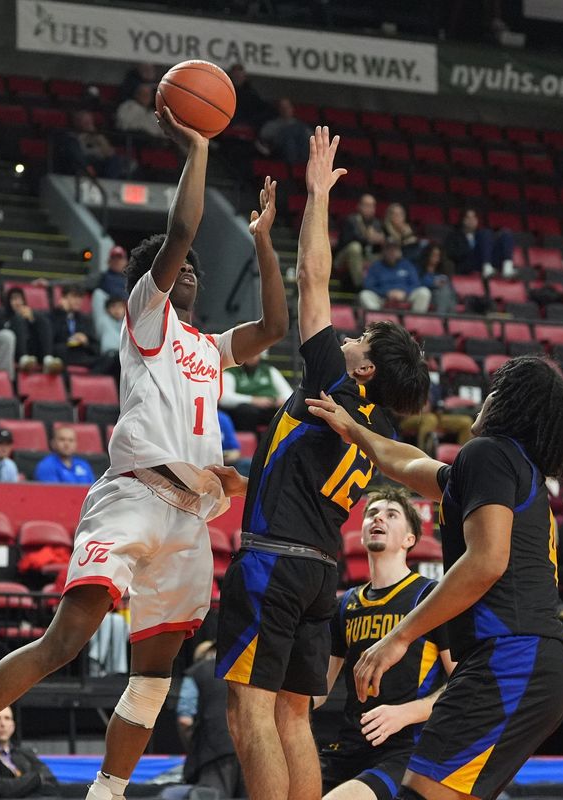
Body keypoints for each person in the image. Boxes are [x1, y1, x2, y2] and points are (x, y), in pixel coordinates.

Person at [0, 104, 289, 800]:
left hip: (190, 523)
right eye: (178, 273)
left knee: (152, 678)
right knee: (67, 640)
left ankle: (107, 793)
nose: (189, 278)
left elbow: (273, 325)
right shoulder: (146, 321)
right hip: (133, 497)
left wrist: (265, 239)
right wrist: (198, 148)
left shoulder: (209, 350)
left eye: (192, 277)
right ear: (151, 283)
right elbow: (179, 231)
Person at [211, 127, 429, 800]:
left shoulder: (338, 386)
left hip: (273, 561)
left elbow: (313, 277)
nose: (345, 336)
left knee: (247, 709)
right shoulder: (380, 430)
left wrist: (315, 196)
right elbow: (311, 477)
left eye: (356, 339)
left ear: (362, 370)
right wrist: (251, 484)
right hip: (318, 572)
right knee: (292, 711)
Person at [305, 355, 563, 800]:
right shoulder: (509, 470)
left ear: (507, 402)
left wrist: (398, 638)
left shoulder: (490, 454)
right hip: (527, 662)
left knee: (419, 795)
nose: (486, 396)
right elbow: (407, 464)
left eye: (496, 388)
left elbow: (486, 563)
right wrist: (356, 431)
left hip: (509, 659)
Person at [317, 488, 454, 799]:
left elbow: (464, 684)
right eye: (371, 513)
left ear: (410, 539)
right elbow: (319, 689)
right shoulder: (346, 603)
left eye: (391, 514)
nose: (377, 517)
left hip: (405, 748)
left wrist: (406, 712)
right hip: (350, 743)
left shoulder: (431, 596)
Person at [177, 640, 246, 799]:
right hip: (251, 748)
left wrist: (193, 747)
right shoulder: (243, 671)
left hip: (214, 750)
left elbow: (184, 719)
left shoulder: (197, 672)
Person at [0, 706, 58, 798]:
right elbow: (2, 790)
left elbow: (51, 781)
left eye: (7, 718)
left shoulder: (25, 753)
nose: (2, 724)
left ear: (13, 726)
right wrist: (37, 778)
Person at [219, 352, 292, 433]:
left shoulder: (269, 371)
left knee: (283, 412)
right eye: (249, 353)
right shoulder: (231, 372)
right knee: (246, 411)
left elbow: (289, 394)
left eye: (256, 353)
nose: (252, 357)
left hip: (269, 408)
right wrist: (253, 400)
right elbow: (224, 398)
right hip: (246, 412)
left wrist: (281, 401)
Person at [398, 384, 474, 456]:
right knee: (431, 419)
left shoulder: (432, 385)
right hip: (410, 416)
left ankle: (463, 459)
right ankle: (424, 456)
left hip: (435, 415)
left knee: (466, 421)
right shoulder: (407, 380)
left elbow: (442, 402)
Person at [359, 240, 431, 313]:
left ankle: (415, 322)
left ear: (399, 252)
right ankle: (380, 321)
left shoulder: (407, 265)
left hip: (405, 296)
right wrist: (386, 292)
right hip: (383, 297)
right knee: (364, 294)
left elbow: (416, 283)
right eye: (389, 249)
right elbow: (368, 285)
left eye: (395, 249)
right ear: (384, 251)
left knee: (424, 292)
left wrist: (405, 292)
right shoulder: (376, 266)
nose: (392, 252)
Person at [0, 287, 59, 373]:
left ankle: (48, 359)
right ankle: (23, 358)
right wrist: (16, 319)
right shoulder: (1, 317)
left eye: (20, 299)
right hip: (14, 350)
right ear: (8, 301)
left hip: (32, 350)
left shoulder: (30, 315)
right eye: (14, 299)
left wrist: (32, 319)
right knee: (19, 319)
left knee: (43, 320)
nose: (18, 302)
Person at [444, 207, 514, 279]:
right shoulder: (454, 235)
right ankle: (486, 267)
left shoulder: (481, 235)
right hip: (467, 263)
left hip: (483, 261)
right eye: (468, 218)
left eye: (474, 218)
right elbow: (451, 253)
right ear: (463, 220)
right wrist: (469, 252)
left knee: (506, 234)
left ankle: (507, 267)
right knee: (485, 233)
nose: (472, 220)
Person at [334, 194, 386, 290]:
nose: (370, 208)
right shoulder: (351, 220)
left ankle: (382, 286)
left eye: (372, 206)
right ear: (359, 206)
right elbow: (347, 241)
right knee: (355, 247)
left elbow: (378, 246)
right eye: (366, 205)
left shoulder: (377, 223)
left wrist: (381, 240)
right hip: (343, 258)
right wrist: (368, 239)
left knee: (388, 252)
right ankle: (360, 286)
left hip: (366, 257)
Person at [59, 111, 126, 179]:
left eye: (90, 122)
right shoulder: (72, 137)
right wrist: (98, 152)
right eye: (86, 122)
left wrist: (96, 135)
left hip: (98, 162)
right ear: (77, 123)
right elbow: (81, 153)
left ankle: (110, 183)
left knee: (115, 160)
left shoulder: (95, 135)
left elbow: (109, 152)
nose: (89, 125)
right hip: (83, 164)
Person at [49, 285, 100, 369]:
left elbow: (96, 347)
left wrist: (86, 341)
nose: (78, 301)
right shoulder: (53, 316)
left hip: (82, 354)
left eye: (80, 297)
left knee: (112, 359)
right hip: (63, 353)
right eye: (74, 297)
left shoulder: (85, 319)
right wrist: (63, 312)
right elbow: (52, 340)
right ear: (63, 298)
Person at [257, 97, 312, 164]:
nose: (285, 110)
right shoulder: (272, 125)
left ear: (292, 108)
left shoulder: (301, 126)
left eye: (287, 107)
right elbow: (263, 136)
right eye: (282, 108)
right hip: (280, 153)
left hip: (302, 154)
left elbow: (312, 137)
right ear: (279, 109)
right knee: (288, 134)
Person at [228, 63, 274, 130]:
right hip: (227, 126)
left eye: (239, 74)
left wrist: (248, 124)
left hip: (247, 128)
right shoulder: (226, 92)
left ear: (244, 76)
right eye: (235, 75)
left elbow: (262, 110)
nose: (237, 76)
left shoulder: (251, 93)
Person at [417, 243, 456, 315]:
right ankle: (447, 320)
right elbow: (417, 282)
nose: (436, 258)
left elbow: (450, 287)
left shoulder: (441, 270)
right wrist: (433, 283)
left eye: (438, 255)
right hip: (427, 295)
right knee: (445, 293)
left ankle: (444, 320)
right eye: (434, 255)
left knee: (447, 291)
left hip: (440, 295)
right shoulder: (419, 268)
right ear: (428, 255)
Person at [218, 409, 251, 477]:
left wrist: (226, 457)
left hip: (224, 460)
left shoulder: (222, 418)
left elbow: (235, 452)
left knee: (249, 464)